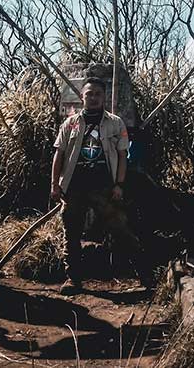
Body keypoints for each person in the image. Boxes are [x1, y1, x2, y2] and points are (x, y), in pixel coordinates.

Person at [51, 76, 147, 295]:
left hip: (104, 188)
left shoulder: (115, 123)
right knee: (71, 233)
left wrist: (119, 185)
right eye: (89, 94)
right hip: (74, 188)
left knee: (121, 228)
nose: (93, 98)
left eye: (98, 94)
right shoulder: (70, 123)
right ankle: (73, 279)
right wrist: (55, 185)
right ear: (82, 97)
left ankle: (145, 275)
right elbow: (59, 154)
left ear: (104, 97)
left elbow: (123, 156)